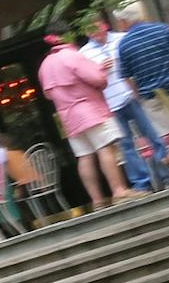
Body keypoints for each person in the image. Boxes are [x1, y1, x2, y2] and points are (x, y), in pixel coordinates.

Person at [38, 33, 138, 209]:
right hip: (90, 109)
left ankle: (97, 200)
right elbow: (98, 80)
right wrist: (101, 70)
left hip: (67, 116)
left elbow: (48, 95)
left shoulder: (44, 66)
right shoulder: (72, 56)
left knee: (84, 156)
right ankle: (119, 190)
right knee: (105, 148)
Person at [80, 15, 166, 191]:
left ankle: (166, 173)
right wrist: (99, 71)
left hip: (132, 95)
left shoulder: (122, 39)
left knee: (153, 134)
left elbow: (136, 62)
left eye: (97, 26)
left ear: (105, 25)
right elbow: (86, 80)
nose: (95, 32)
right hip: (109, 103)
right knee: (126, 145)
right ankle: (142, 182)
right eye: (90, 30)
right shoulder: (83, 54)